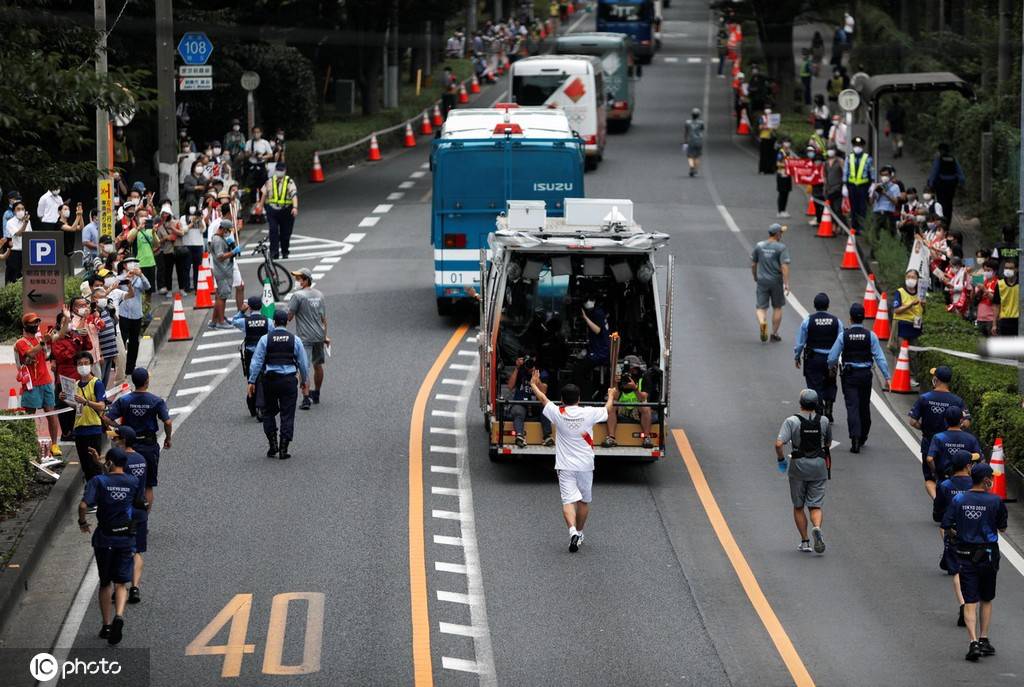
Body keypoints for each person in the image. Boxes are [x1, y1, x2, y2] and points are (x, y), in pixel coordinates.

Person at [532, 375, 614, 553]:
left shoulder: (558, 413)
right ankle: (580, 532)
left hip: (565, 465)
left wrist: (533, 385)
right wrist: (611, 395)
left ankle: (572, 532)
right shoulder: (589, 412)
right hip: (585, 465)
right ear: (579, 398)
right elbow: (607, 410)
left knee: (568, 500)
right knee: (584, 501)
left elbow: (542, 398)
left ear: (562, 400)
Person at [941, 462, 1007, 662]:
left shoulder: (959, 499)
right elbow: (1002, 528)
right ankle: (984, 638)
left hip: (965, 553)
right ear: (987, 480)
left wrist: (959, 533)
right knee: (987, 598)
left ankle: (973, 642)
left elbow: (946, 524)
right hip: (988, 554)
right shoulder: (996, 501)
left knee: (970, 600)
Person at [78, 446, 142, 645]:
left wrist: (82, 522)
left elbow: (83, 505)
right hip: (125, 537)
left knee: (104, 583)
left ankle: (106, 625)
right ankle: (119, 615)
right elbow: (138, 501)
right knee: (120, 583)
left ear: (110, 462)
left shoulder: (99, 481)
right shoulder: (133, 481)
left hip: (105, 538)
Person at [827, 303, 891, 453]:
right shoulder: (871, 336)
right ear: (863, 318)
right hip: (865, 376)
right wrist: (887, 377)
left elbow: (832, 357)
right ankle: (863, 435)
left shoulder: (844, 335)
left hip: (849, 375)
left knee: (852, 407)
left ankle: (854, 439)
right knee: (864, 406)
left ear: (850, 318)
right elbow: (880, 358)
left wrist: (832, 366)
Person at [104, 367, 172, 509]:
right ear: (147, 381)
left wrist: (119, 429)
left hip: (129, 446)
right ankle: (143, 518)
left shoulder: (124, 400)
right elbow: (167, 422)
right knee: (148, 484)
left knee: (125, 481)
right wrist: (168, 438)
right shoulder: (156, 401)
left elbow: (105, 417)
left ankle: (126, 513)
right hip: (149, 445)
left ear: (133, 382)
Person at [775, 389, 831, 554]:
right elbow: (827, 444)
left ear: (800, 403)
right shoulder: (824, 421)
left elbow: (779, 444)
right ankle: (817, 528)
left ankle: (805, 541)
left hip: (798, 466)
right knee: (815, 504)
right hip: (819, 466)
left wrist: (781, 460)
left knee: (798, 505)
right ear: (816, 404)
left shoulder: (792, 421)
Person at [248, 310, 309, 459]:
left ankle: (272, 444)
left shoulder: (265, 339)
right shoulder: (295, 340)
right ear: (286, 322)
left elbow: (256, 362)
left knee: (268, 411)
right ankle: (283, 449)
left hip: (269, 380)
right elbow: (303, 363)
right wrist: (304, 381)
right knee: (287, 414)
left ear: (274, 322)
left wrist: (251, 381)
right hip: (288, 381)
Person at [909, 365, 970, 498]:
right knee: (953, 477)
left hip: (929, 444)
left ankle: (938, 500)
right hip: (952, 447)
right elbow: (966, 422)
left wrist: (925, 427)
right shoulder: (957, 401)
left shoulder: (924, 398)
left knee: (930, 479)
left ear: (935, 379)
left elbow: (912, 421)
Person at [933, 449, 975, 627]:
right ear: (968, 466)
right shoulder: (976, 483)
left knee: (958, 571)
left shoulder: (945, 485)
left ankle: (962, 603)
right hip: (976, 534)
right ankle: (972, 603)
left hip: (954, 533)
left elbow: (939, 510)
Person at [15, 313, 63, 457]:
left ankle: (54, 445)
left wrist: (66, 320)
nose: (35, 325)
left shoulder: (40, 337)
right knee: (29, 416)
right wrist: (43, 342)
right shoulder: (20, 342)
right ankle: (29, 444)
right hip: (31, 384)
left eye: (37, 322)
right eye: (32, 323)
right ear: (25, 326)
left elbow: (59, 336)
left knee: (51, 413)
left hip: (46, 382)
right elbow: (30, 353)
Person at [794, 293, 843, 420]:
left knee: (814, 384)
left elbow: (801, 342)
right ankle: (829, 406)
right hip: (831, 360)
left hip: (813, 359)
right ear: (828, 306)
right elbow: (841, 340)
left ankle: (819, 407)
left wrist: (797, 356)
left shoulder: (808, 321)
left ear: (814, 305)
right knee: (831, 382)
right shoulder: (837, 321)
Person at [287, 268, 329, 409]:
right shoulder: (320, 295)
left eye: (299, 278)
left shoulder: (297, 296)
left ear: (306, 280)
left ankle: (305, 398)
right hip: (318, 336)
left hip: (305, 337)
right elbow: (324, 319)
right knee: (318, 365)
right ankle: (316, 393)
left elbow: (289, 316)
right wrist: (325, 337)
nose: (297, 281)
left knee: (303, 367)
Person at [232, 295, 271, 419]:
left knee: (251, 379)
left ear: (249, 307)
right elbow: (272, 334)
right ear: (261, 306)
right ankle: (264, 404)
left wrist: (241, 311)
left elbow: (234, 321)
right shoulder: (267, 321)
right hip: (264, 354)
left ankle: (253, 406)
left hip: (250, 354)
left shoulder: (245, 322)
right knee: (265, 378)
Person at [603, 356, 655, 449]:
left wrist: (635, 388)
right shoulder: (620, 376)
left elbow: (643, 397)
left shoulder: (644, 376)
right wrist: (616, 384)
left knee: (646, 407)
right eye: (630, 368)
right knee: (611, 406)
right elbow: (616, 396)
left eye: (635, 368)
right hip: (622, 406)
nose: (632, 370)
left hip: (637, 407)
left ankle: (646, 437)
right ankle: (611, 437)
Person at [751, 223, 791, 344]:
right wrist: (786, 284)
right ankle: (774, 333)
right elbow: (784, 266)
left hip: (762, 280)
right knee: (777, 307)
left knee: (760, 307)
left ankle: (763, 322)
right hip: (776, 281)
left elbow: (753, 263)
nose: (782, 235)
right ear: (777, 234)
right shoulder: (781, 248)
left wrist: (755, 276)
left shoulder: (759, 246)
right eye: (781, 233)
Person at [927, 406, 984, 487]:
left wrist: (935, 472)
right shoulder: (970, 438)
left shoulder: (938, 437)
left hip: (944, 480)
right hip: (966, 482)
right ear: (961, 420)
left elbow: (929, 459)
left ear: (945, 420)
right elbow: (980, 459)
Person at [507, 355, 553, 447]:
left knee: (546, 408)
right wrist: (517, 368)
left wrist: (536, 378)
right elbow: (510, 386)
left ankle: (547, 437)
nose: (529, 365)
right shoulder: (521, 371)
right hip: (521, 403)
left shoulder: (542, 373)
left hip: (537, 404)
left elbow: (543, 391)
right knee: (518, 411)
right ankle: (520, 436)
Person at [257, 162, 299, 259]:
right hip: (272, 210)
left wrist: (295, 207)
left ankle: (285, 251)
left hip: (286, 210)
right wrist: (260, 205)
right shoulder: (269, 181)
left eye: (281, 170)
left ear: (285, 171)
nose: (279, 172)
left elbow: (294, 195)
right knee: (273, 231)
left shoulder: (289, 182)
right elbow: (264, 194)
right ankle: (274, 252)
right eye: (278, 170)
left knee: (286, 233)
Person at [116, 257, 149, 372]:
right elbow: (114, 285)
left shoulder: (140, 279)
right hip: (123, 313)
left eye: (135, 263)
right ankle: (120, 366)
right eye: (130, 263)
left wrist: (140, 275)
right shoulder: (120, 277)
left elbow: (147, 287)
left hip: (136, 314)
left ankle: (130, 367)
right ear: (124, 265)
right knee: (122, 340)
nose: (133, 265)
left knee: (134, 341)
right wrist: (127, 277)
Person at [209, 219, 240, 329]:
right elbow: (220, 256)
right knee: (222, 297)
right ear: (223, 229)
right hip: (222, 271)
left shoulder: (220, 238)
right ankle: (221, 322)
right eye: (227, 230)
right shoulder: (217, 240)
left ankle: (214, 320)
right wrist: (233, 252)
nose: (228, 233)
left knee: (219, 297)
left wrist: (231, 246)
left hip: (224, 270)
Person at [928, 143, 966, 224]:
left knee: (941, 203)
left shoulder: (939, 159)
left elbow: (934, 172)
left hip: (941, 185)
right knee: (949, 204)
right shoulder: (953, 159)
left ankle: (942, 221)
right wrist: (962, 182)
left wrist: (930, 184)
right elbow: (959, 172)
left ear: (940, 150)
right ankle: (948, 222)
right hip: (951, 185)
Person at [844, 136, 874, 232]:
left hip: (863, 186)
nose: (857, 147)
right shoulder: (849, 157)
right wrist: (844, 185)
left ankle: (862, 228)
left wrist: (873, 183)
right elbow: (846, 171)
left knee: (862, 207)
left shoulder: (868, 158)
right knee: (853, 206)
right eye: (856, 145)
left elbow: (871, 171)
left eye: (859, 145)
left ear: (862, 146)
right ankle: (854, 226)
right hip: (852, 185)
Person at [892, 269, 924, 345]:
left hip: (916, 324)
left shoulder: (921, 293)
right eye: (908, 277)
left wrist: (923, 305)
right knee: (901, 351)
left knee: (913, 351)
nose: (910, 279)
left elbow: (922, 311)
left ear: (917, 280)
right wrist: (910, 304)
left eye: (913, 277)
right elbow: (896, 310)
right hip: (902, 324)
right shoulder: (900, 292)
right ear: (905, 278)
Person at [5, 200, 31, 284]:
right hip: (14, 252)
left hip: (25, 252)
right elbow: (19, 234)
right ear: (14, 211)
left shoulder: (28, 222)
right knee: (12, 277)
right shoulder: (10, 222)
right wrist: (25, 223)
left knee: (24, 277)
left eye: (22, 209)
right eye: (18, 209)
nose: (21, 211)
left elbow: (30, 235)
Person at [244, 126, 274, 193]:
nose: (256, 134)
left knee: (263, 185)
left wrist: (262, 157)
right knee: (251, 186)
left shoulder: (265, 142)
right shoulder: (249, 142)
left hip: (261, 165)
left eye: (258, 132)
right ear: (252, 133)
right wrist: (252, 154)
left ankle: (262, 201)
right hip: (251, 165)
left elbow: (271, 154)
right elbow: (245, 154)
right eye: (254, 132)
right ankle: (252, 201)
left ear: (261, 133)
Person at [994, 260, 1019, 336]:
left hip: (1019, 320)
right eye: (1006, 268)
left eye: (1011, 268)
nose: (1008, 270)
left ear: (1016, 269)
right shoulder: (999, 284)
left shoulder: (1021, 283)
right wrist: (994, 324)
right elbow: (997, 306)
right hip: (1005, 321)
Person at [824, 148, 845, 229]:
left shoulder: (840, 161)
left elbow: (844, 172)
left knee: (838, 209)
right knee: (831, 209)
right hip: (829, 189)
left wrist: (844, 185)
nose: (830, 151)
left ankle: (843, 226)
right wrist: (825, 187)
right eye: (828, 149)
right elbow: (825, 175)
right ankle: (834, 226)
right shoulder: (826, 162)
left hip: (838, 188)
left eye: (832, 149)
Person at [775, 136, 795, 217]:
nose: (787, 143)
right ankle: (780, 211)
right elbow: (778, 163)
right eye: (786, 142)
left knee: (786, 193)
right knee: (782, 193)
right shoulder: (781, 152)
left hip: (788, 175)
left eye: (788, 142)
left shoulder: (790, 152)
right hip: (781, 174)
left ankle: (784, 210)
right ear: (782, 143)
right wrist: (787, 164)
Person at [683, 108, 705, 177]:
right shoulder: (701, 122)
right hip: (699, 141)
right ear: (698, 115)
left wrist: (685, 142)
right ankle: (695, 169)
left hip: (691, 141)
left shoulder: (687, 122)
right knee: (697, 156)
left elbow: (686, 133)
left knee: (690, 156)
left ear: (691, 115)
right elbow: (702, 129)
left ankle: (691, 166)